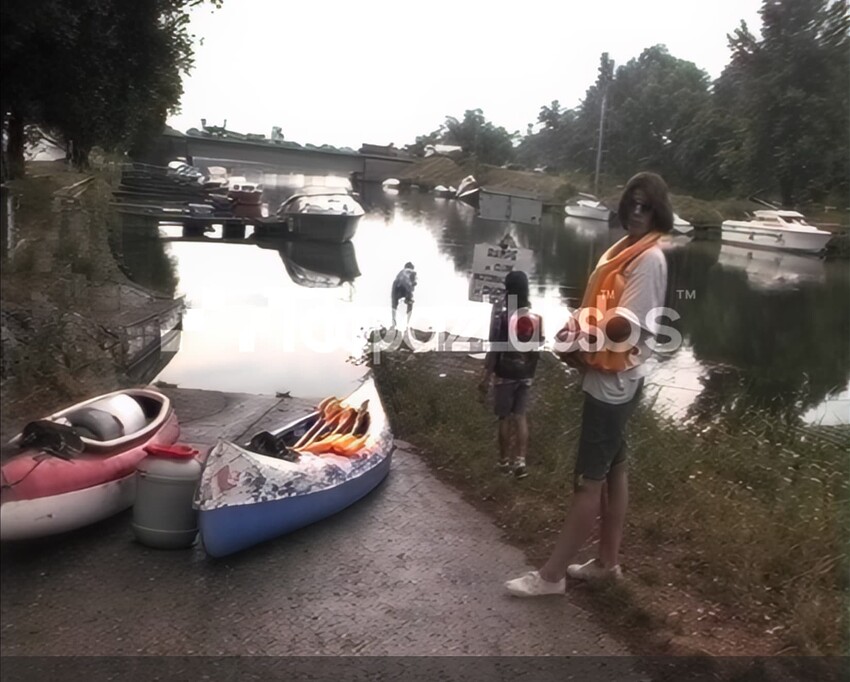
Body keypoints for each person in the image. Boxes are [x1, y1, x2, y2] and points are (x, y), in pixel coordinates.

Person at [504, 171, 672, 597]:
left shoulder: (649, 259)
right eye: (631, 203)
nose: (636, 212)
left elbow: (625, 325)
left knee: (587, 481)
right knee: (615, 470)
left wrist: (576, 342)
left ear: (659, 211)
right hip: (615, 376)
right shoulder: (627, 249)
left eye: (645, 206)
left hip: (612, 384)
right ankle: (607, 563)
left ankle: (551, 576)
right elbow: (601, 308)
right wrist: (575, 334)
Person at [478, 270, 544, 479]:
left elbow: (495, 350)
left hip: (505, 374)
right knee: (521, 416)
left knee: (504, 418)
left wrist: (486, 377)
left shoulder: (503, 317)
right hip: (526, 375)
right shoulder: (536, 318)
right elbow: (539, 346)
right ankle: (520, 462)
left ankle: (503, 462)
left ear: (508, 290)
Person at [391, 262, 417, 327]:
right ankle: (408, 323)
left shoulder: (401, 272)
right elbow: (413, 284)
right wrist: (409, 296)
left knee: (394, 305)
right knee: (410, 303)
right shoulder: (413, 272)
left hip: (396, 284)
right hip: (405, 285)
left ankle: (394, 322)